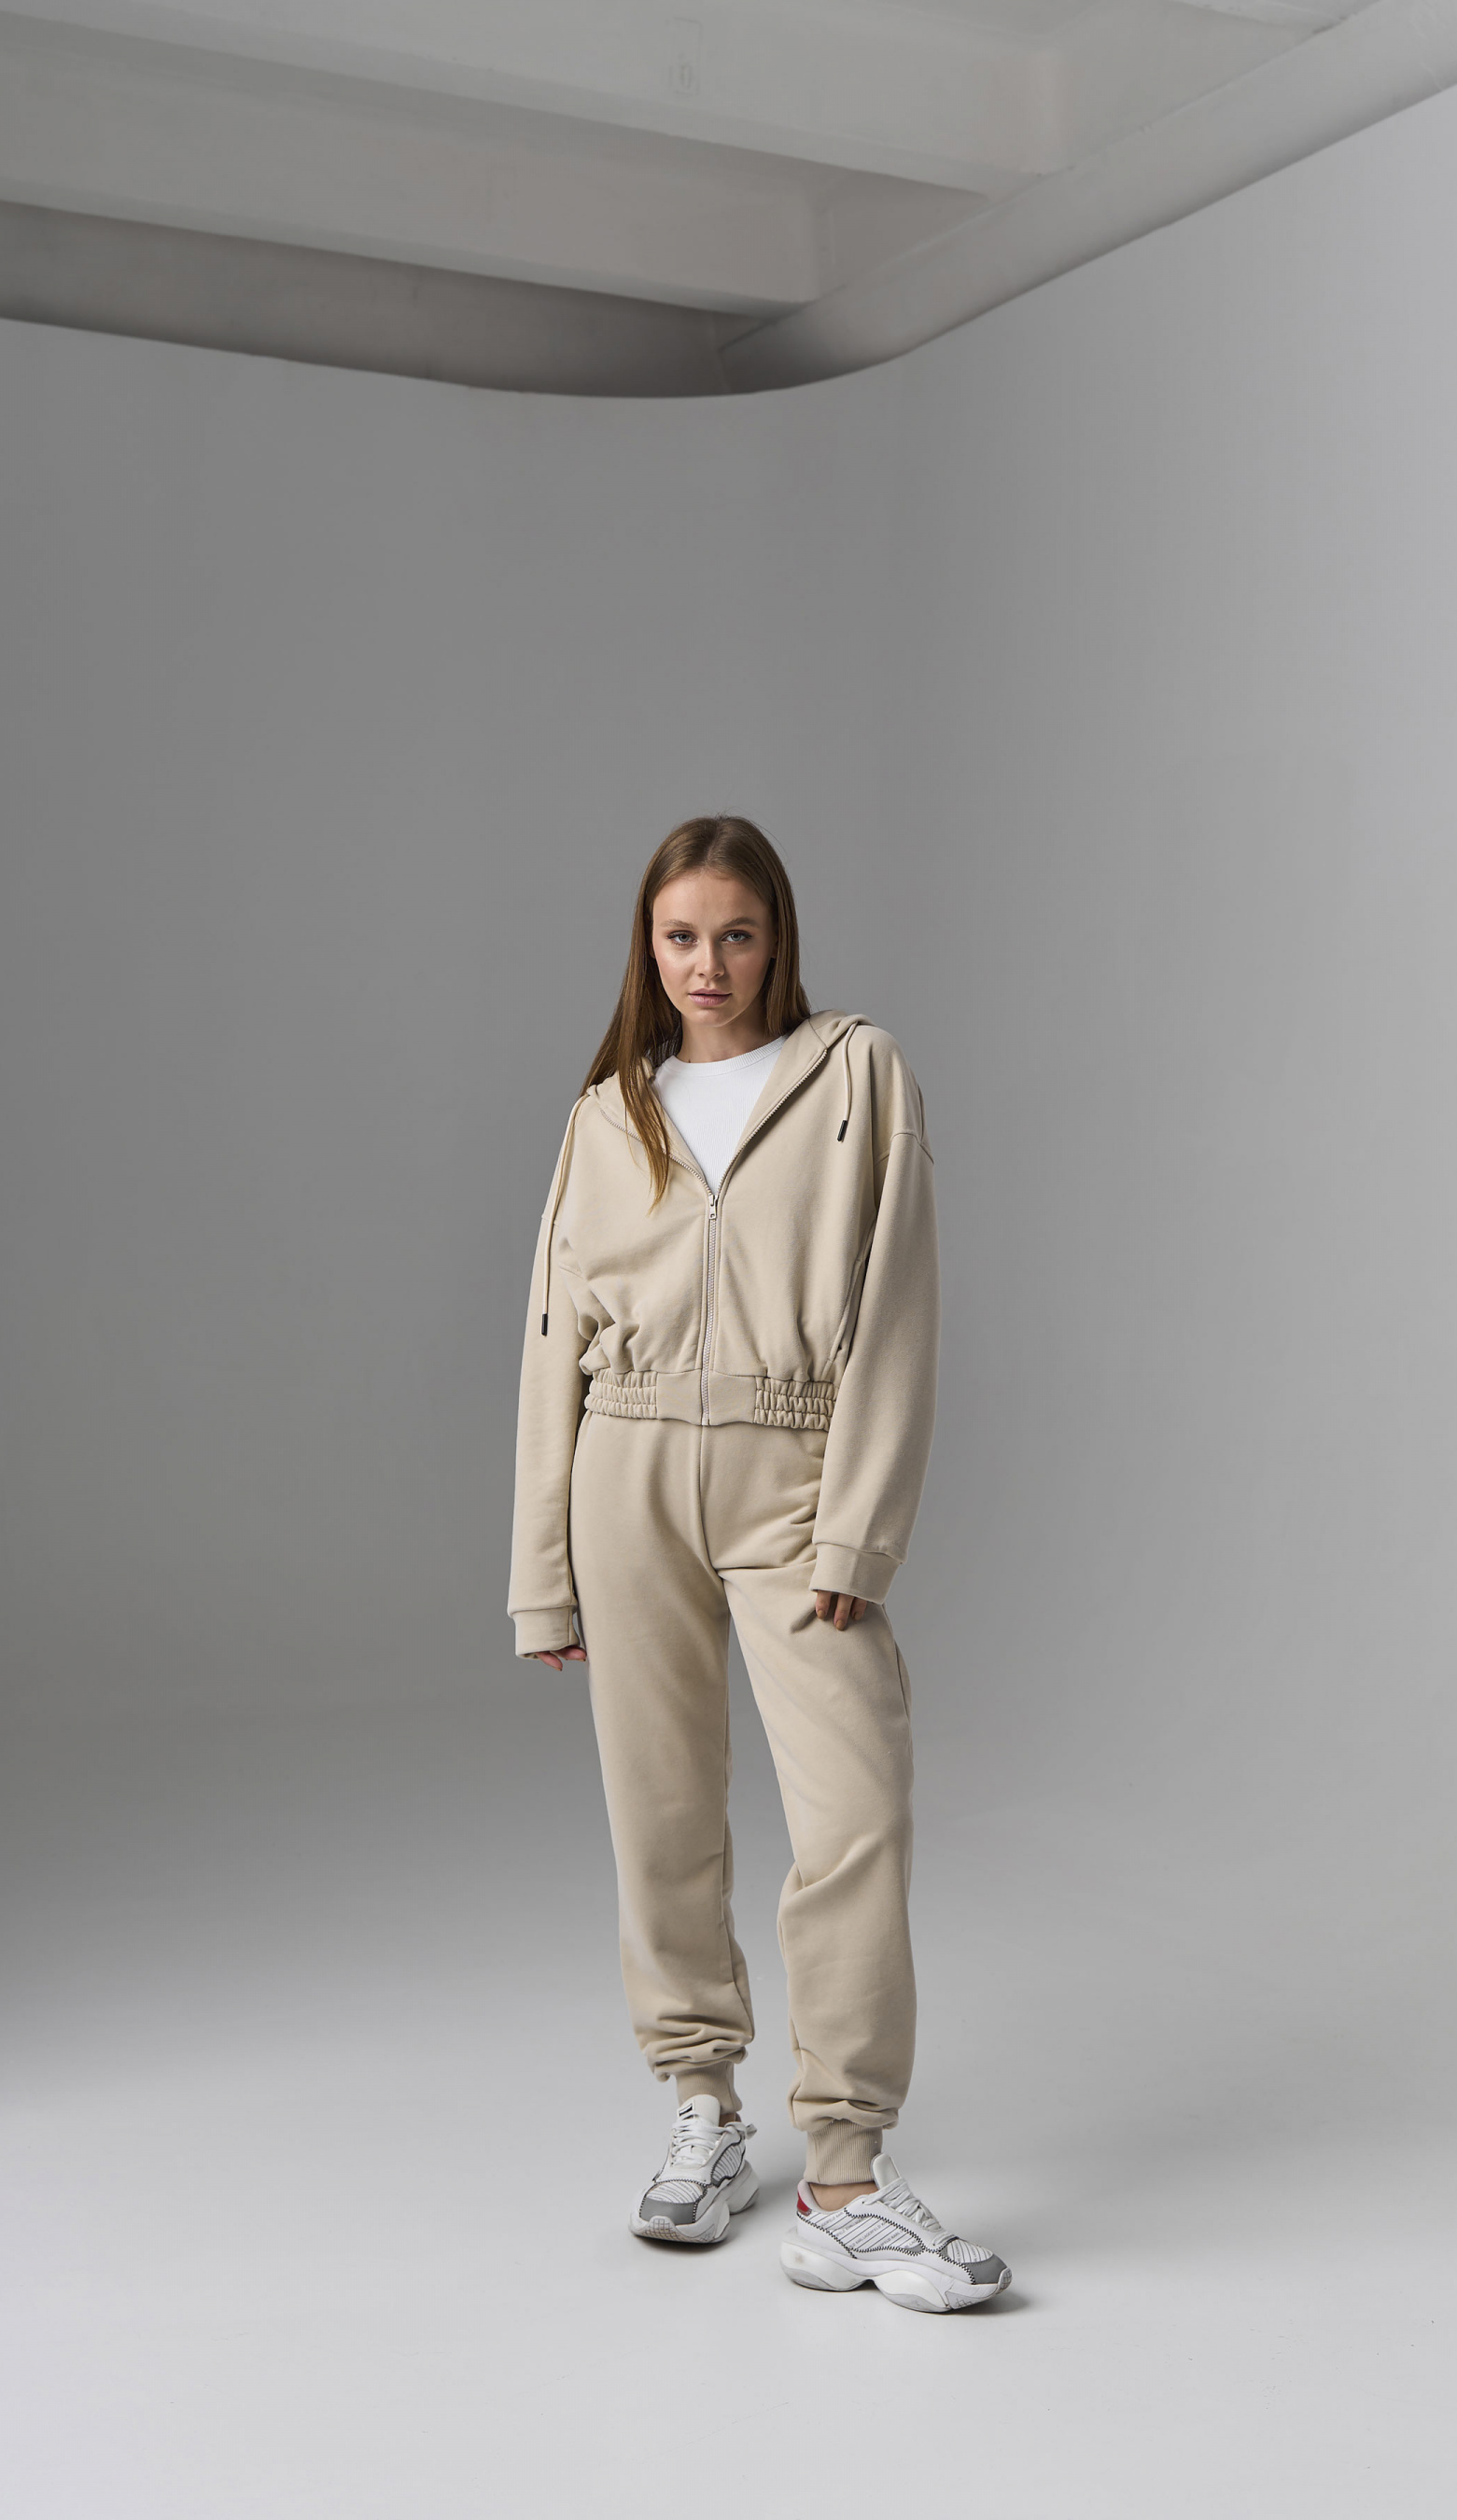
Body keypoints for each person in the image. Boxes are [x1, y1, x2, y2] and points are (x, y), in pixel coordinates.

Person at [508, 815, 1010, 2314]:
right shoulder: (609, 1110)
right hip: (626, 1470)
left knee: (853, 1816)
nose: (707, 964)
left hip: (795, 1475)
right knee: (659, 1814)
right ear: (646, 948)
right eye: (679, 937)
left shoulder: (857, 1075)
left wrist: (860, 1524)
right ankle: (703, 2109)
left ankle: (842, 2175)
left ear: (776, 937)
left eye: (735, 933)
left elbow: (897, 1304)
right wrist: (543, 1567)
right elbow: (550, 1339)